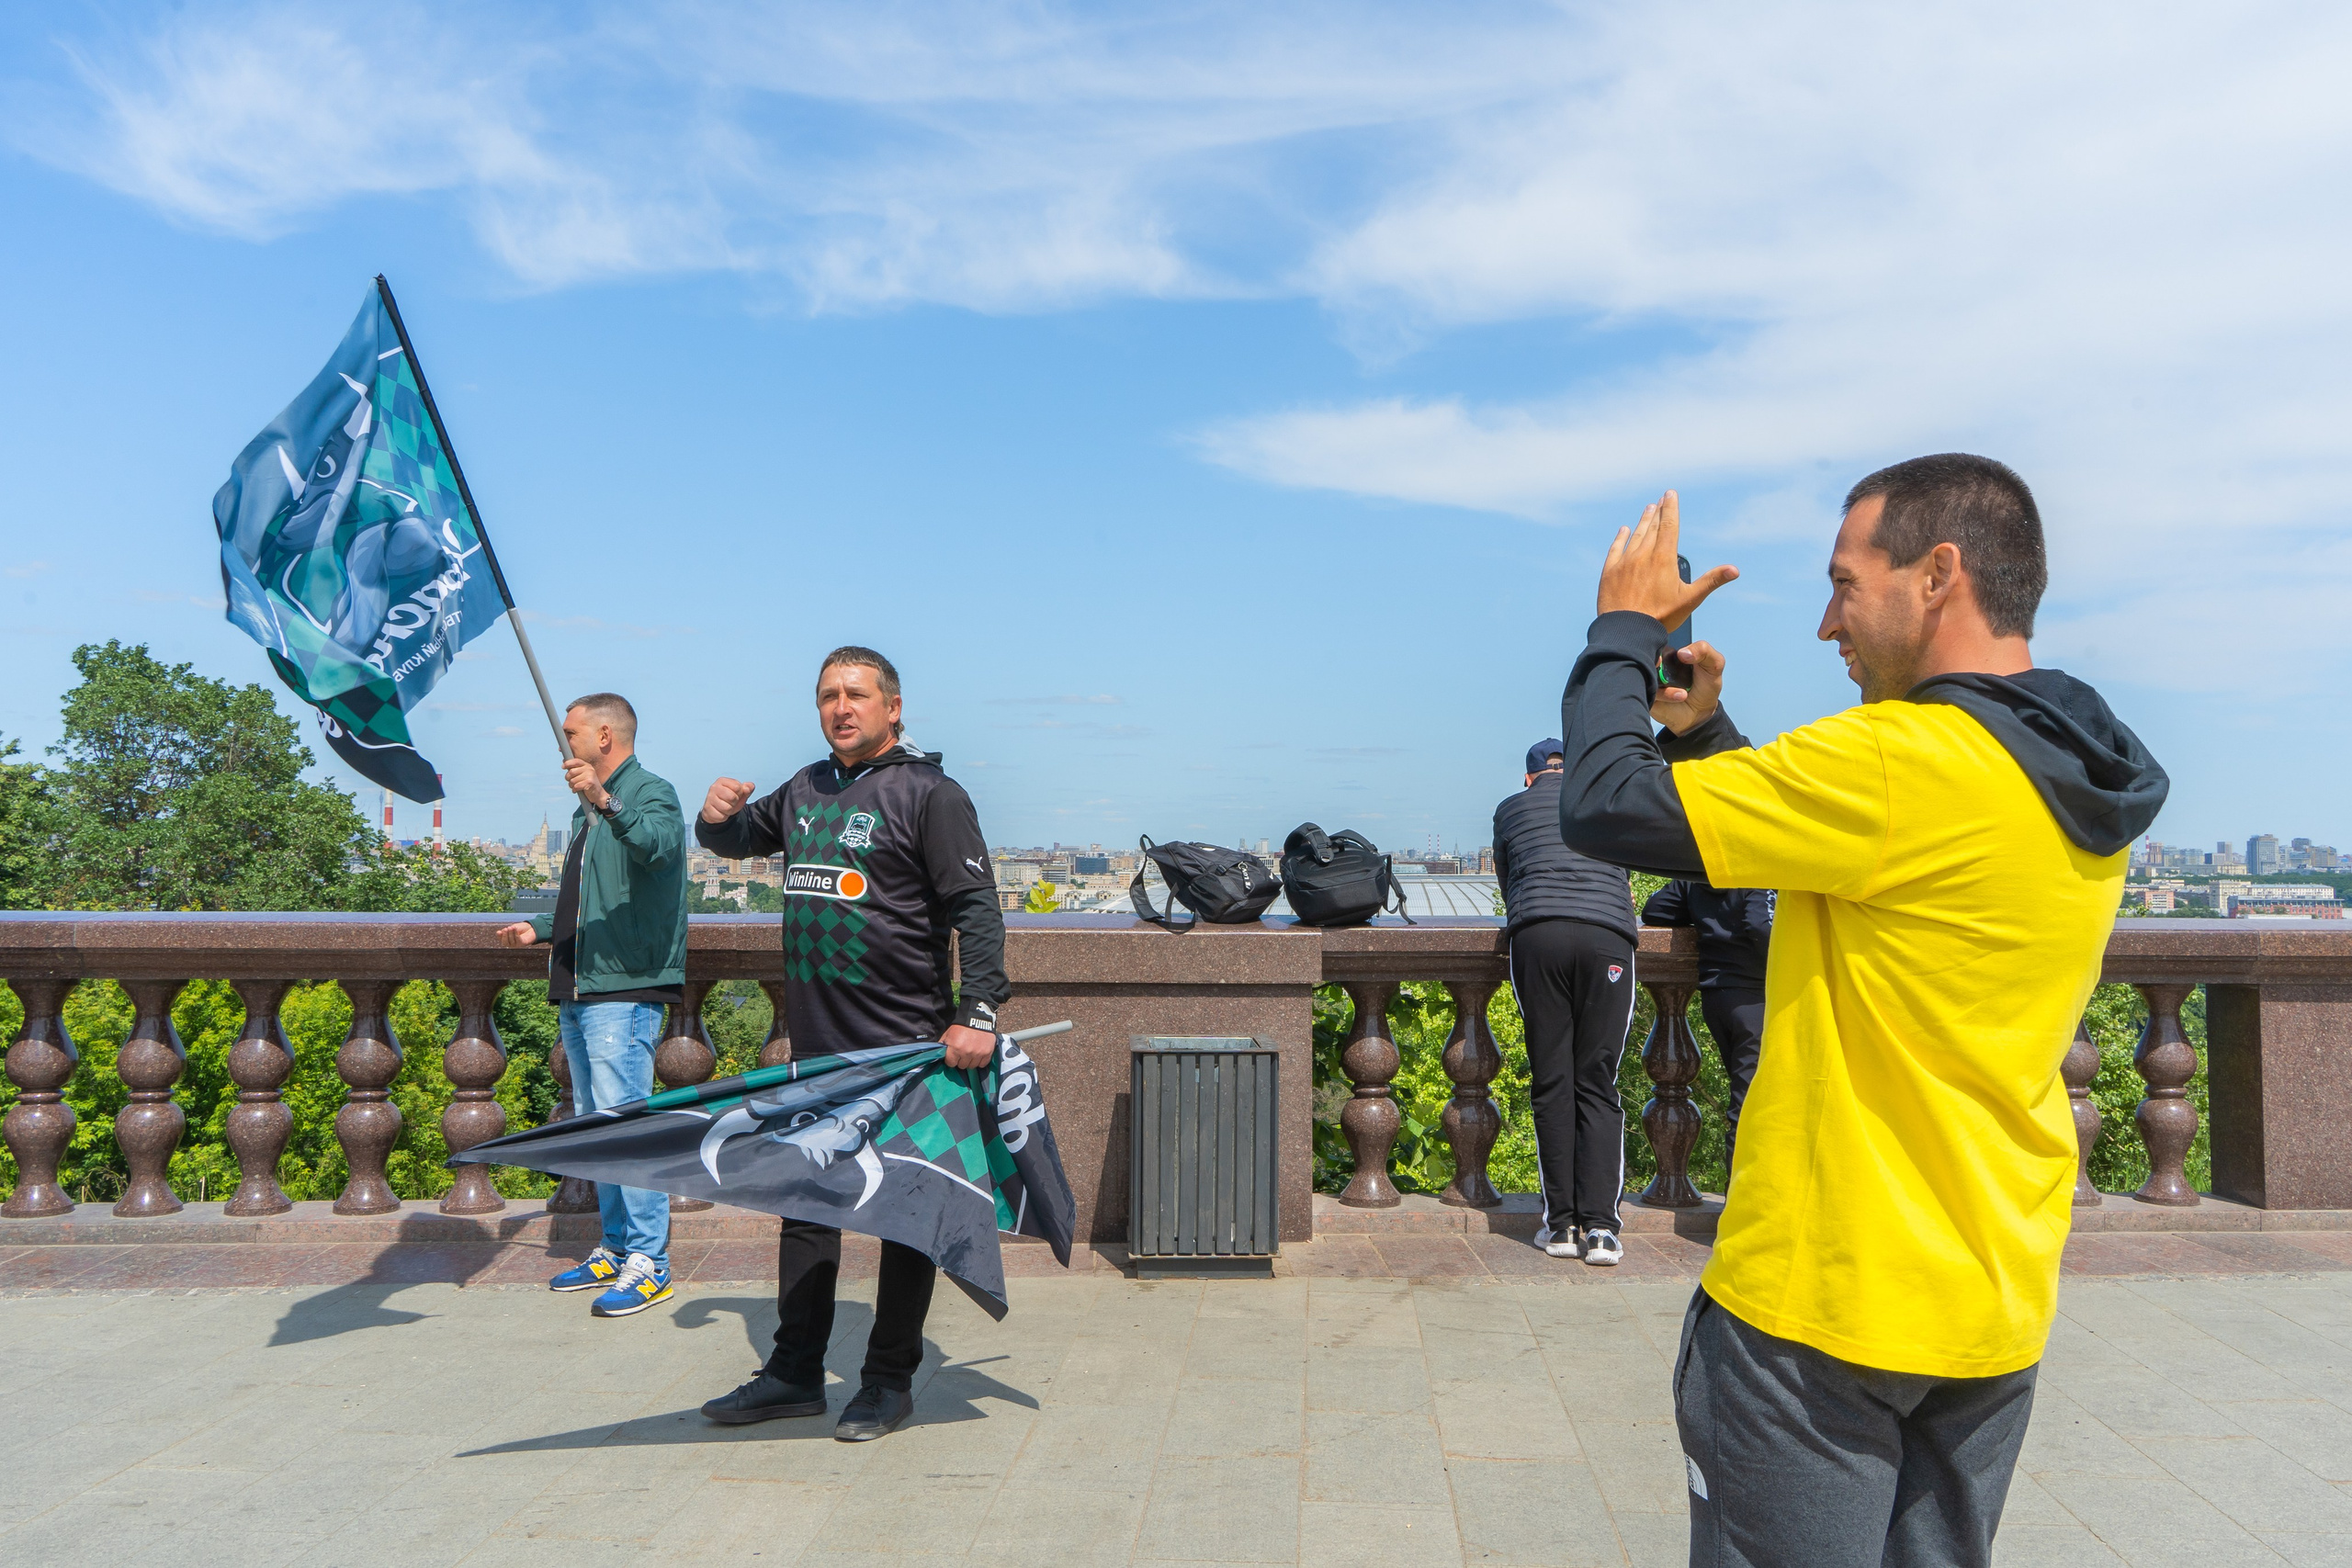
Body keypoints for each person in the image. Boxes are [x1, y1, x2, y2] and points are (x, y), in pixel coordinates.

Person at [1556, 456, 2165, 1568]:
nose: (1826, 622)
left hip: (1821, 1310)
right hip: (1986, 1297)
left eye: (1844, 582)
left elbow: (1602, 803)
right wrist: (1703, 734)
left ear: (1939, 573)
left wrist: (1618, 637)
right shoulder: (2069, 774)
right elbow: (1875, 861)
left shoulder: (1900, 758)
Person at [693, 646, 1007, 1443]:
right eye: (829, 695)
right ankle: (794, 1371)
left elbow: (978, 910)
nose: (842, 707)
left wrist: (978, 1013)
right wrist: (715, 815)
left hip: (907, 1046)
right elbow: (733, 844)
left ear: (893, 707)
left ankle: (887, 1380)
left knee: (908, 1214)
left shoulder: (931, 793)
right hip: (817, 1044)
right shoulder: (805, 787)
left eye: (858, 694)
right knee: (805, 1207)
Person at [495, 692, 689, 1319]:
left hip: (624, 986)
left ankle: (650, 1262)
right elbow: (591, 896)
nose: (564, 743)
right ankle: (615, 1246)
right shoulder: (586, 812)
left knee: (625, 1125)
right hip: (583, 981)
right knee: (598, 1124)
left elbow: (657, 846)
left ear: (605, 735)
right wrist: (539, 927)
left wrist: (606, 801)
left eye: (572, 732)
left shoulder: (650, 792)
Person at [1491, 738, 1638, 1265]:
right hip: (1607, 940)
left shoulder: (1511, 808)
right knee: (1597, 1080)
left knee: (1553, 1081)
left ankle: (1561, 1227)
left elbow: (1510, 886)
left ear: (1530, 778)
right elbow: (1625, 872)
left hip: (1539, 937)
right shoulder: (1604, 800)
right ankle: (1602, 1230)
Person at [1638, 878, 1772, 1180]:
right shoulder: (1757, 869)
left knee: (1749, 1102)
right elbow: (1760, 924)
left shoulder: (1697, 874)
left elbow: (1656, 909)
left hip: (1718, 1001)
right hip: (1755, 1001)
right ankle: (1741, 1205)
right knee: (1752, 1109)